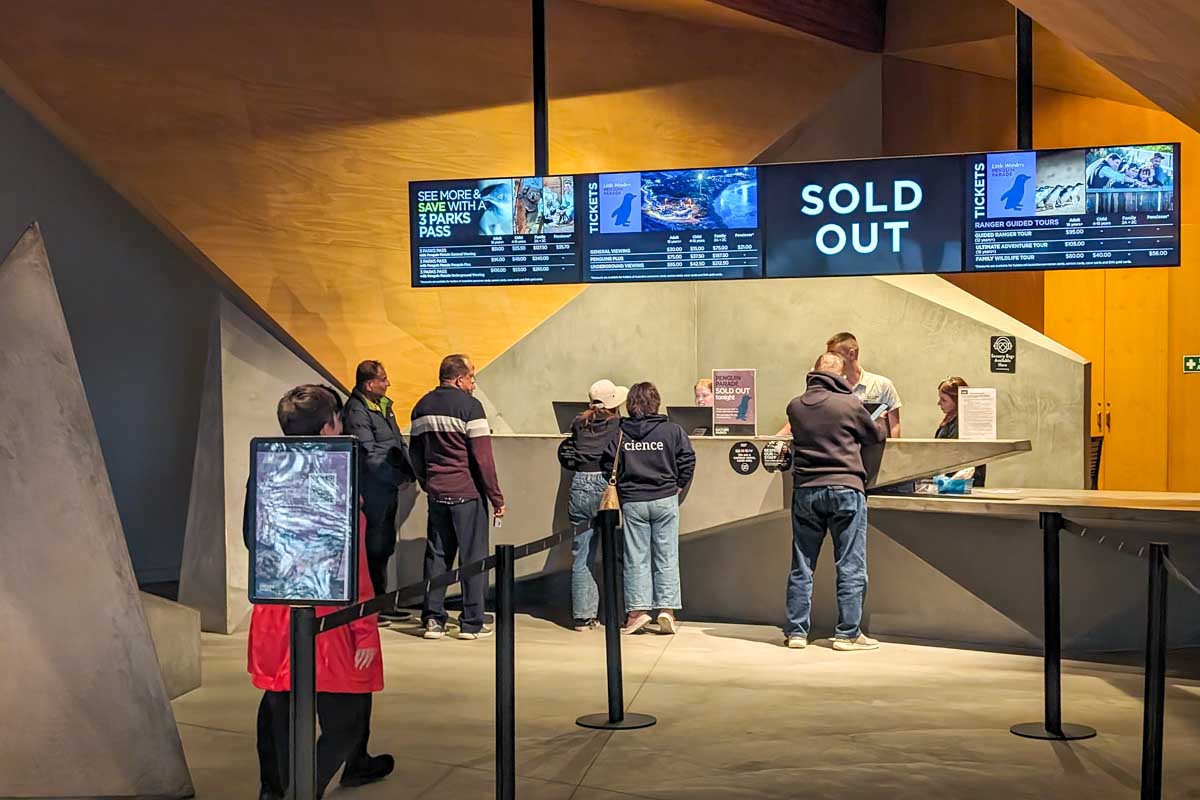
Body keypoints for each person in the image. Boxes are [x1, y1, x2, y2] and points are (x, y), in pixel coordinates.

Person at [247, 385, 393, 800]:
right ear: (330, 425)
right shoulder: (336, 477)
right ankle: (303, 791)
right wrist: (364, 628)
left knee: (279, 709)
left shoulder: (267, 468)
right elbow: (356, 568)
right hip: (332, 612)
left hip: (276, 610)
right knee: (344, 715)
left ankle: (275, 791)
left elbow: (249, 538)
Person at [784, 352, 887, 652]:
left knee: (802, 564)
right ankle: (847, 634)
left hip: (806, 492)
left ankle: (797, 632)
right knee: (850, 564)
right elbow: (873, 436)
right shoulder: (850, 404)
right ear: (841, 376)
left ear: (813, 372)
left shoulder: (795, 406)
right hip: (846, 489)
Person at [410, 354, 505, 640]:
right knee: (473, 558)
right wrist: (497, 498)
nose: (474, 383)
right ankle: (472, 622)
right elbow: (483, 458)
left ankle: (433, 620)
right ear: (459, 378)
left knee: (437, 556)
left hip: (438, 493)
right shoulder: (470, 407)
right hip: (467, 492)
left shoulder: (421, 406)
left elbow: (415, 453)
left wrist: (428, 483)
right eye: (472, 377)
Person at [602, 382, 695, 635]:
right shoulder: (672, 431)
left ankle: (637, 613)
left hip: (633, 502)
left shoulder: (620, 433)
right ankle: (667, 610)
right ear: (656, 402)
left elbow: (607, 464)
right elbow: (687, 459)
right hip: (665, 499)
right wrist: (678, 485)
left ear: (630, 404)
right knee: (667, 556)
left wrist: (624, 485)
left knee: (636, 559)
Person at [341, 360, 414, 625]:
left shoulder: (384, 407)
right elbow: (369, 455)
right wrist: (396, 479)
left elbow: (395, 444)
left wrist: (409, 473)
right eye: (383, 379)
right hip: (372, 490)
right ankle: (370, 607)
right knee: (372, 547)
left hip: (387, 488)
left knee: (383, 547)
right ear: (369, 384)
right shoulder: (357, 411)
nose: (388, 383)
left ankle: (382, 604)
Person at [558, 379, 627, 630]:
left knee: (582, 554)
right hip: (605, 485)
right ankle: (615, 614)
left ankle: (582, 616)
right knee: (613, 554)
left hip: (579, 483)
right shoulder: (619, 426)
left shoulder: (579, 422)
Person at [826, 332, 902, 438]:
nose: (828, 358)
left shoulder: (882, 385)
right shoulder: (829, 386)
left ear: (851, 354)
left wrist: (894, 452)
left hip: (876, 451)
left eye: (833, 353)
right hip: (843, 452)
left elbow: (894, 427)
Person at [934, 377, 987, 488]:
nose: (939, 403)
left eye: (944, 400)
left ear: (957, 401)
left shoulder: (964, 425)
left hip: (961, 484)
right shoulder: (950, 421)